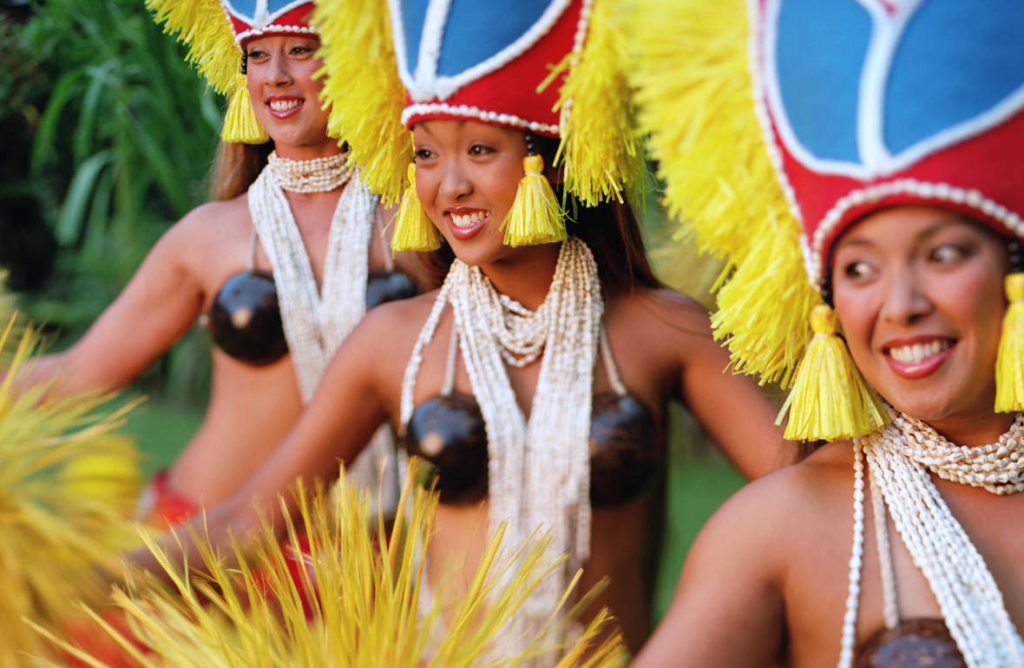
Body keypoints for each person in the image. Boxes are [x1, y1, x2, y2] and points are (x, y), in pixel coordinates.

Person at [129, 0, 785, 657]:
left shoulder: (660, 330)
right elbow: (251, 520)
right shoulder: (394, 344)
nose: (450, 186)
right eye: (426, 155)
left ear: (548, 161)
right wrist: (86, 581)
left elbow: (807, 494)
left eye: (478, 150)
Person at [632, 0, 1024, 665]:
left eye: (943, 255)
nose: (899, 306)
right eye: (860, 268)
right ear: (828, 303)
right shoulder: (785, 525)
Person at [18, 0, 422, 526]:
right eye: (257, 55)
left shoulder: (414, 228)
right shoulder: (208, 238)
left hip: (366, 572)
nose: (276, 76)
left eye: (301, 50)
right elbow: (77, 374)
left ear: (350, 63)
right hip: (200, 550)